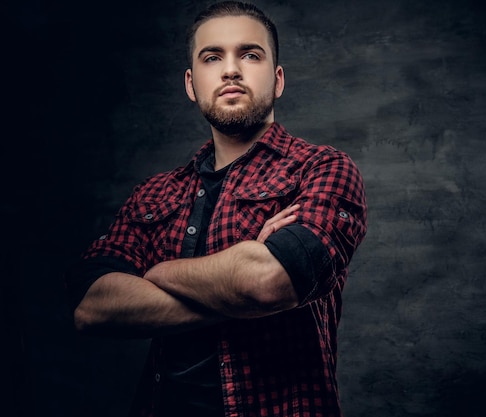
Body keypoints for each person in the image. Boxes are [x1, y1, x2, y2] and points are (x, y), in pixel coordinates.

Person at [65, 1, 367, 416]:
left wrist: (159, 272)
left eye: (250, 54)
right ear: (191, 84)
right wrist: (236, 285)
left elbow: (265, 282)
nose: (230, 70)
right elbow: (93, 308)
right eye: (212, 57)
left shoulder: (321, 169)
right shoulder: (153, 195)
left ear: (277, 79)